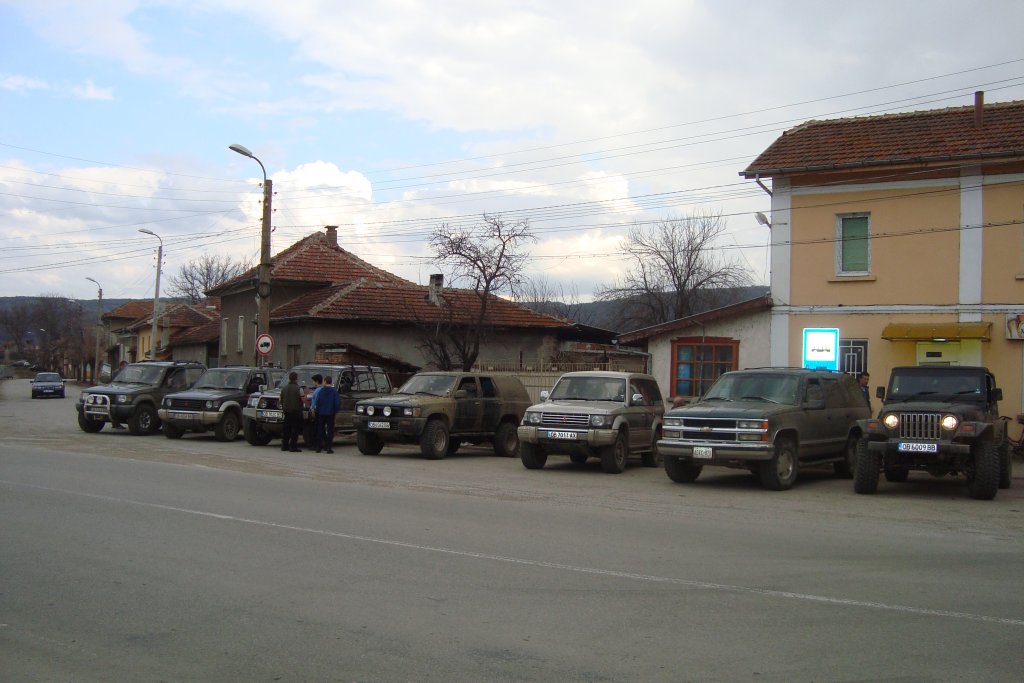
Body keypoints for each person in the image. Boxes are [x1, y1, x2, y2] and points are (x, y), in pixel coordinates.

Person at [311, 374, 341, 454]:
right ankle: (328, 448)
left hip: (321, 413)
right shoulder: (334, 391)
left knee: (320, 429)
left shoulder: (321, 391)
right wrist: (336, 411)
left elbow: (318, 401)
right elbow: (337, 403)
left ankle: (318, 447)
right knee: (330, 430)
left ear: (325, 381)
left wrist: (317, 410)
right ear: (330, 382)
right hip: (330, 413)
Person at [279, 371, 304, 453]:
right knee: (295, 429)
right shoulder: (299, 388)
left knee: (286, 429)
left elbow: (280, 400)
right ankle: (293, 446)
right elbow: (303, 400)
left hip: (286, 411)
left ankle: (284, 445)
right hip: (296, 411)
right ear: (296, 379)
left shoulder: (284, 388)